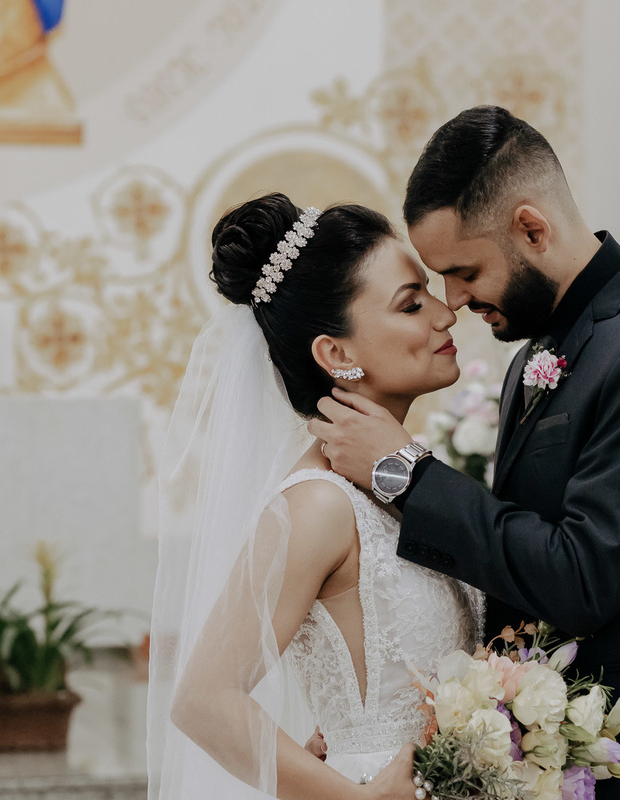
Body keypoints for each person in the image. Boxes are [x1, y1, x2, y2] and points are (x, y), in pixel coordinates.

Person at [312, 106, 620, 799]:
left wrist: (407, 472)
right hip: (545, 770)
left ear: (531, 228)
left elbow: (580, 577)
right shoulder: (535, 355)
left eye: (463, 271)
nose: (453, 301)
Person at [148, 194, 483, 800]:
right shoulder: (319, 505)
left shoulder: (413, 480)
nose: (445, 314)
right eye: (411, 304)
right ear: (336, 354)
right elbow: (202, 700)